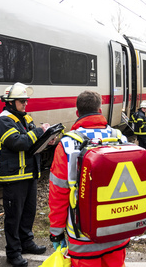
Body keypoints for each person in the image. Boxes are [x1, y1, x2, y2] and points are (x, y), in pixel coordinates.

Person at [48, 90, 129, 267]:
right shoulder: (120, 138)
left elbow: (58, 193)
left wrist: (56, 232)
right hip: (117, 230)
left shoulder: (67, 144)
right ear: (100, 110)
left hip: (83, 237)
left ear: (77, 113)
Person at [0, 82, 49, 267]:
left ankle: (27, 242)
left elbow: (32, 141)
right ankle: (13, 252)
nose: (25, 104)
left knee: (28, 213)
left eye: (26, 100)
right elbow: (18, 142)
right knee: (14, 217)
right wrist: (41, 131)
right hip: (13, 177)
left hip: (29, 175)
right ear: (10, 102)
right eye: (22, 101)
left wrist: (48, 138)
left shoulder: (25, 118)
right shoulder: (3, 121)